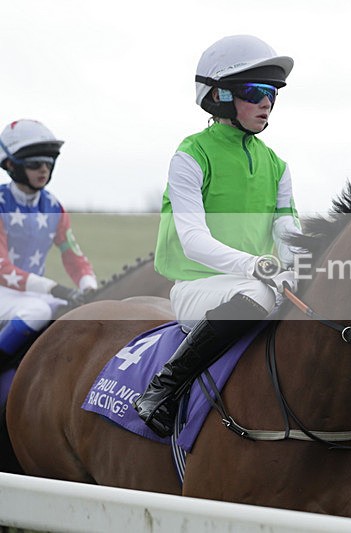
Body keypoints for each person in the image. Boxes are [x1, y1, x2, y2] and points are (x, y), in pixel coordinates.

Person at [135, 35, 301, 437]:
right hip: (199, 287)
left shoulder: (276, 165)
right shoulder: (191, 155)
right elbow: (193, 239)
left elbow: (288, 234)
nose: (267, 103)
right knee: (262, 293)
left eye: (273, 93)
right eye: (256, 92)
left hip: (258, 282)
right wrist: (255, 265)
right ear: (220, 96)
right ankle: (163, 388)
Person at [0, 119, 97, 361]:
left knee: (66, 312)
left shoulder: (53, 207)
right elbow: (2, 268)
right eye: (35, 163)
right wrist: (53, 288)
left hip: (29, 293)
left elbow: (74, 256)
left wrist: (90, 287)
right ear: (11, 164)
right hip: (7, 291)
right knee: (37, 311)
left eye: (49, 162)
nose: (44, 169)